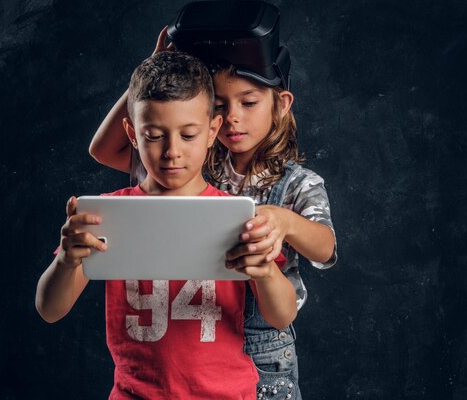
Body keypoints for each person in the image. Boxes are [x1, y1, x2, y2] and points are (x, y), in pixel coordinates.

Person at [89, 21, 337, 399]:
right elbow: (105, 150)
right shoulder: (196, 161)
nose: (234, 117)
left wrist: (284, 221)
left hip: (265, 349)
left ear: (281, 105)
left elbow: (326, 249)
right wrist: (151, 73)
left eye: (249, 103)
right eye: (221, 105)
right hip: (203, 340)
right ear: (210, 118)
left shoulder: (297, 183)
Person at [36, 51, 298, 400]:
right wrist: (66, 261)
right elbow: (50, 310)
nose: (172, 151)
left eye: (188, 135)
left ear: (212, 131)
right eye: (155, 135)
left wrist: (265, 271)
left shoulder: (235, 215)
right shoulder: (111, 214)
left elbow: (281, 316)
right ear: (132, 133)